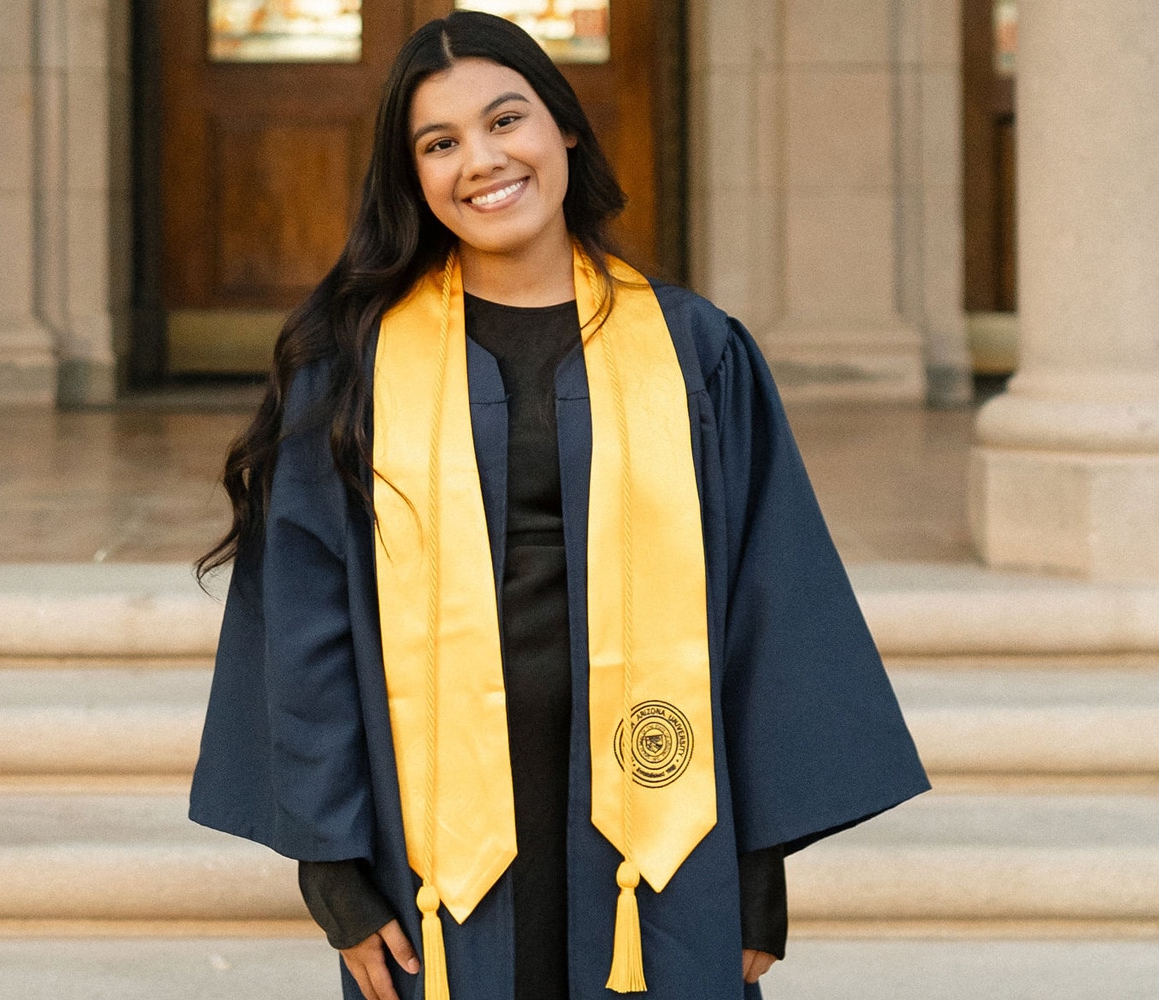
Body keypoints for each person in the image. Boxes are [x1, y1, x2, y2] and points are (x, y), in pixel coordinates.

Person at [189, 11, 929, 1000]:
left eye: (507, 121)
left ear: (564, 128)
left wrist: (759, 865)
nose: (481, 160)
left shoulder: (693, 353)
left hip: (658, 834)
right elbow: (303, 620)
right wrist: (331, 865)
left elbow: (768, 607)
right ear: (411, 176)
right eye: (440, 143)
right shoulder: (354, 367)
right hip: (434, 831)